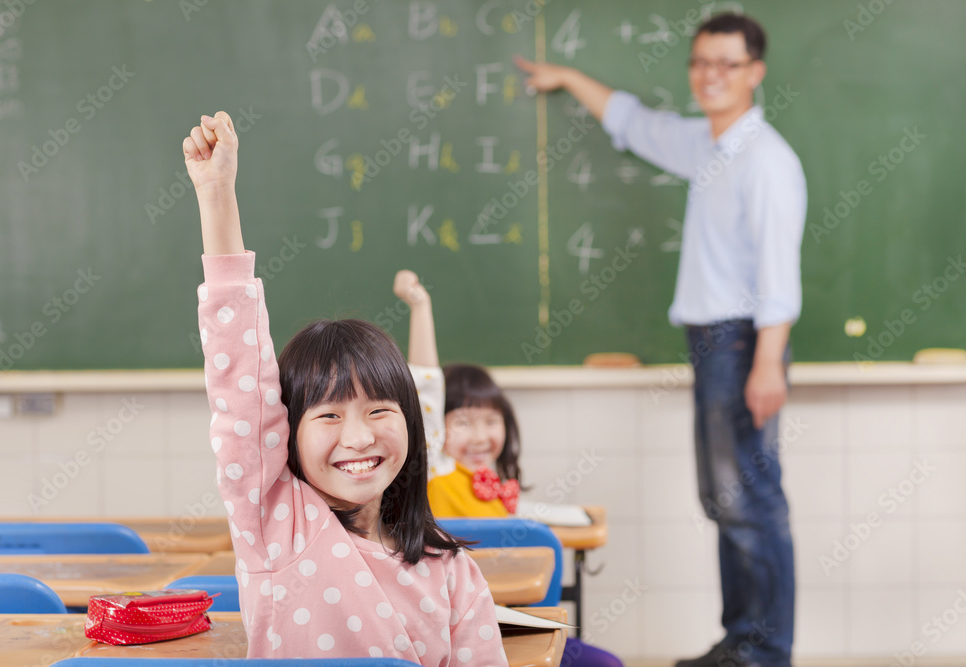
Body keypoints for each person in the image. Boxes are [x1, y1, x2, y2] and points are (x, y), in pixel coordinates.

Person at [515, 13, 806, 667]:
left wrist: (767, 363)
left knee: (751, 501)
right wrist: (568, 76)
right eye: (701, 63)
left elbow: (779, 275)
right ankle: (741, 642)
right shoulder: (708, 145)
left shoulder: (766, 161)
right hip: (716, 342)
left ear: (755, 72)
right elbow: (636, 123)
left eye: (727, 65)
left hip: (744, 344)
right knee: (725, 500)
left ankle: (768, 652)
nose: (711, 76)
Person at [183, 111, 508, 665]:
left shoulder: (452, 573)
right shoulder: (277, 527)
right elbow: (240, 382)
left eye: (379, 410)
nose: (358, 437)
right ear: (284, 434)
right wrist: (216, 195)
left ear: (412, 419)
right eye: (329, 416)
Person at [393, 270, 623, 667]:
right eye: (463, 421)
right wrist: (421, 306)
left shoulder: (495, 487)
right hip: (454, 627)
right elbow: (426, 388)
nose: (480, 435)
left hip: (511, 622)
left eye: (490, 420)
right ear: (435, 429)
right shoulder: (434, 473)